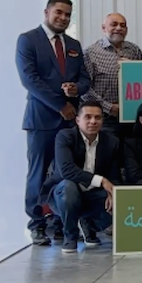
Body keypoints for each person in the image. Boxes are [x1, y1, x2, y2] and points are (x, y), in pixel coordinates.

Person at [17, 0, 92, 245]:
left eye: (68, 14)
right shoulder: (28, 40)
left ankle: (61, 222)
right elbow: (30, 80)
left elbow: (84, 79)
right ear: (46, 12)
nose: (63, 18)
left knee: (66, 173)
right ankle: (37, 224)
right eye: (58, 12)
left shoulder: (73, 44)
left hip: (70, 121)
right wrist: (61, 105)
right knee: (38, 174)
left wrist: (76, 90)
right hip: (42, 120)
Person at [47, 101, 119, 253]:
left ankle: (89, 225)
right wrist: (102, 181)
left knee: (119, 199)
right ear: (78, 120)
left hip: (91, 194)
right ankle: (70, 236)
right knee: (69, 187)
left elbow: (114, 174)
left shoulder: (111, 141)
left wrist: (113, 192)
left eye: (97, 118)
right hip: (63, 194)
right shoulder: (64, 136)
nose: (93, 121)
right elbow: (67, 171)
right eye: (88, 117)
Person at [82, 12, 142, 136]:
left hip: (132, 118)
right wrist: (109, 107)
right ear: (104, 28)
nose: (119, 28)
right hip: (103, 119)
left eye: (123, 25)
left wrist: (133, 68)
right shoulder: (91, 53)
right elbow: (85, 88)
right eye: (114, 24)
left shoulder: (134, 51)